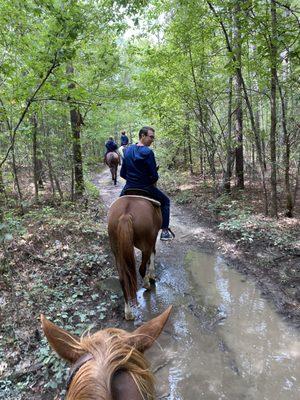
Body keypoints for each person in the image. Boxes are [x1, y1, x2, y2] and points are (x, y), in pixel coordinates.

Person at [120, 126, 174, 241]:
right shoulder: (148, 152)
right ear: (142, 136)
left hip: (128, 188)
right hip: (146, 188)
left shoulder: (127, 150)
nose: (152, 140)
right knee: (166, 202)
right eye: (151, 137)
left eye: (153, 137)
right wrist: (147, 181)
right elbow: (154, 176)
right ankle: (164, 231)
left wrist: (132, 180)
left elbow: (122, 173)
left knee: (117, 207)